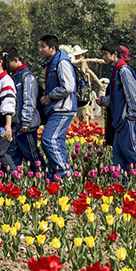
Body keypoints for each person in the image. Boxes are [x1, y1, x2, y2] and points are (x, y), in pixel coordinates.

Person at [98, 42, 136, 177]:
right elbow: (117, 99)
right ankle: (122, 181)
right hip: (119, 121)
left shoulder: (124, 70)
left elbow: (132, 95)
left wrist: (132, 116)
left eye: (106, 54)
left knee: (130, 149)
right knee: (117, 151)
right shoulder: (115, 72)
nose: (103, 57)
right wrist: (104, 101)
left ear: (115, 54)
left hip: (127, 119)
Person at [38, 34, 76, 178]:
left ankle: (65, 173)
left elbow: (68, 87)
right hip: (57, 108)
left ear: (52, 48)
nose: (40, 49)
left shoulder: (61, 62)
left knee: (48, 139)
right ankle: (57, 175)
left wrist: (50, 96)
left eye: (43, 46)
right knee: (57, 142)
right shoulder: (52, 62)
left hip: (63, 108)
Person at [4, 47, 45, 171]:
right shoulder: (13, 76)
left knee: (32, 156)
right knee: (12, 156)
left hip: (26, 126)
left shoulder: (27, 77)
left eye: (7, 62)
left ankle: (42, 177)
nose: (5, 66)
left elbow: (29, 101)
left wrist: (26, 121)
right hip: (16, 126)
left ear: (15, 60)